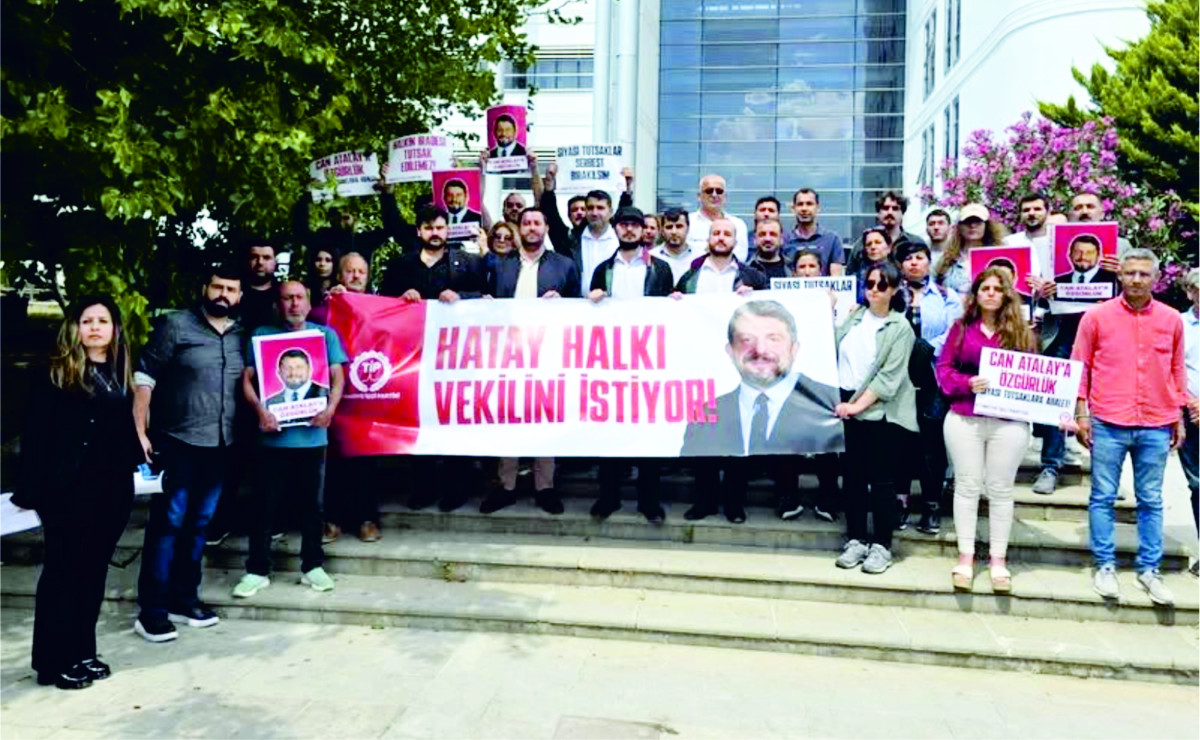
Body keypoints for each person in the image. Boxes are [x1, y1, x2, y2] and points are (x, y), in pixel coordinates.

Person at [13, 296, 143, 689]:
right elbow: (36, 436)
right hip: (67, 492)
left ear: (114, 329)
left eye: (103, 321)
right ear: (75, 327)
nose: (95, 327)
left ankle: (82, 650)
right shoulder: (54, 373)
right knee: (63, 574)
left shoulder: (119, 372)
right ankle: (52, 662)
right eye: (87, 321)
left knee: (92, 573)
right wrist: (33, 491)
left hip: (111, 490)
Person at [133, 265, 245, 642]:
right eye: (217, 286)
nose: (223, 294)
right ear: (204, 288)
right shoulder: (176, 325)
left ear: (240, 296)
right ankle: (152, 610)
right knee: (168, 525)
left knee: (199, 525)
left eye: (231, 289)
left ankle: (184, 599)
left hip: (221, 445)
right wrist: (139, 431)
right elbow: (144, 377)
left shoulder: (241, 335)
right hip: (177, 441)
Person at [1074, 249, 1187, 606]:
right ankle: (1105, 565)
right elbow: (1081, 366)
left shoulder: (1171, 320)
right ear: (1119, 275)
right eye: (1131, 273)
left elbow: (1176, 370)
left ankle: (1149, 569)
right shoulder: (1096, 317)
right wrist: (1082, 414)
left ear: (1156, 279)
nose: (1137, 279)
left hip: (1156, 421)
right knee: (1103, 496)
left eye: (1144, 274)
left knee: (1151, 499)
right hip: (1108, 419)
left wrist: (1178, 414)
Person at [680, 300, 844, 523]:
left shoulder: (821, 399)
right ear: (730, 350)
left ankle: (749, 502)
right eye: (747, 339)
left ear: (794, 348)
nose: (760, 350)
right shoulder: (707, 409)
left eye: (773, 339)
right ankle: (708, 503)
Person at [232, 281, 347, 599]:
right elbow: (247, 379)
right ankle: (257, 571)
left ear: (309, 303)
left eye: (299, 297)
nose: (294, 304)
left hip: (313, 438)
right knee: (264, 506)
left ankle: (312, 566)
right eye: (287, 298)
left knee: (313, 507)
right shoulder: (261, 335)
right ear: (277, 304)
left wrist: (330, 409)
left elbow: (337, 376)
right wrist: (260, 411)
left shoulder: (325, 335)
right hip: (272, 439)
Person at [935, 267, 1036, 592]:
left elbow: (1037, 378)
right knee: (967, 486)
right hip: (965, 417)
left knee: (1001, 489)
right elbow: (943, 369)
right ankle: (965, 558)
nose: (991, 293)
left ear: (1007, 295)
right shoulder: (961, 328)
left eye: (997, 288)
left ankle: (998, 560)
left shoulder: (1022, 332)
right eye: (985, 288)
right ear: (976, 294)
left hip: (1009, 422)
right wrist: (966, 383)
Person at [382, 205, 486, 512]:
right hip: (414, 358)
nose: (435, 233)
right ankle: (424, 487)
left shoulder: (467, 262)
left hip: (456, 358)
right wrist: (401, 299)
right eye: (428, 228)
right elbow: (382, 304)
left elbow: (487, 297)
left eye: (440, 227)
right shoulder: (401, 265)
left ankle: (457, 488)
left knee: (454, 420)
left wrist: (462, 297)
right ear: (419, 231)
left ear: (447, 230)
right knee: (420, 420)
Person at [1026, 192, 1126, 496]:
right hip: (1064, 332)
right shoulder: (1052, 249)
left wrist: (1122, 273)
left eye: (1089, 206)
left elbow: (1142, 286)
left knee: (1105, 401)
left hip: (1108, 335)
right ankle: (1050, 466)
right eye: (1077, 207)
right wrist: (1043, 290)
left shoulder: (1122, 248)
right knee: (1057, 398)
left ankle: (1106, 473)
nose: (1083, 211)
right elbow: (1035, 296)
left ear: (1102, 210)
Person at [482, 207, 580, 515]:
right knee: (508, 418)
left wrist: (564, 303)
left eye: (537, 222)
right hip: (507, 353)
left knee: (545, 418)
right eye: (526, 223)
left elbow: (580, 308)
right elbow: (484, 299)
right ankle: (506, 486)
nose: (532, 227)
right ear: (520, 228)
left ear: (546, 228)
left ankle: (544, 487)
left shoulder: (564, 265)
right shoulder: (500, 264)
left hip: (549, 353)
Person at [587, 206, 675, 523]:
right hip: (612, 363)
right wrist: (592, 300)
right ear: (616, 229)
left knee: (649, 434)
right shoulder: (603, 269)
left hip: (649, 362)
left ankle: (648, 501)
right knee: (610, 433)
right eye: (623, 224)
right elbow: (589, 313)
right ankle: (608, 497)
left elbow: (669, 310)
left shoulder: (660, 269)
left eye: (634, 225)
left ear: (643, 230)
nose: (629, 229)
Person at [833, 261, 917, 575]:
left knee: (882, 481)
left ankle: (882, 545)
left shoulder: (900, 327)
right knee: (853, 479)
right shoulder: (854, 317)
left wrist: (856, 407)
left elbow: (888, 378)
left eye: (882, 285)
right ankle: (855, 539)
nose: (874, 290)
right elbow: (830, 347)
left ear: (894, 290)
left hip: (882, 415)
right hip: (848, 409)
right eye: (869, 284)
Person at [313, 251, 384, 543]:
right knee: (335, 462)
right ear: (339, 275)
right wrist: (330, 300)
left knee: (367, 463)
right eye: (350, 271)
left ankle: (367, 519)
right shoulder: (323, 310)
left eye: (361, 272)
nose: (355, 276)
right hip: (335, 397)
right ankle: (332, 519)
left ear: (368, 277)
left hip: (371, 396)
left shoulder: (382, 308)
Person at [897, 240, 962, 535]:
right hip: (897, 377)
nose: (914, 263)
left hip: (933, 376)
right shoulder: (891, 292)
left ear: (928, 261)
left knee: (931, 445)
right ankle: (900, 502)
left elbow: (954, 333)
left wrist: (925, 348)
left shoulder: (947, 296)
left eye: (919, 257)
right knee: (900, 442)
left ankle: (931, 505)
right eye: (908, 258)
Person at [674, 219, 768, 295]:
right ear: (708, 239)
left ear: (735, 242)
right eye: (716, 233)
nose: (721, 238)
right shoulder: (689, 277)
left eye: (727, 234)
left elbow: (764, 307)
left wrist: (752, 296)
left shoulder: (753, 277)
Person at [933, 203, 1006, 294]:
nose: (972, 226)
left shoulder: (999, 258)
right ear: (959, 226)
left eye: (978, 222)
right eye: (967, 222)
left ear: (986, 226)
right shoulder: (944, 260)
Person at [846, 192, 926, 270]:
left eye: (895, 208)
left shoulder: (916, 243)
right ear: (878, 213)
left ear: (902, 213)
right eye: (885, 208)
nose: (890, 212)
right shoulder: (862, 244)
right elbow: (851, 274)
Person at [1180, 268, 1199, 577]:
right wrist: (1191, 401)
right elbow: (1170, 366)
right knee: (1198, 483)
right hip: (1189, 412)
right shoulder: (1178, 324)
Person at [686, 174, 749, 262]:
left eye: (719, 191)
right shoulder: (687, 223)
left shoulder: (738, 225)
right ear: (699, 196)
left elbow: (740, 257)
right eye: (709, 191)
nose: (714, 195)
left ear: (725, 197)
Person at [782, 189, 845, 275]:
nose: (804, 209)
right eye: (800, 204)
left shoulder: (832, 239)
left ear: (818, 208)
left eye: (809, 204)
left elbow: (836, 278)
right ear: (793, 209)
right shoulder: (783, 240)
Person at [847, 226, 895, 305]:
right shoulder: (856, 278)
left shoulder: (898, 274)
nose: (873, 247)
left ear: (889, 247)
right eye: (869, 244)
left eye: (878, 242)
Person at [263, 350, 329, 406]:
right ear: (279, 373)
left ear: (309, 370)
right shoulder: (270, 403)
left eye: (299, 367)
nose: (293, 373)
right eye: (287, 368)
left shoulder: (326, 395)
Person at [650, 207, 698, 284]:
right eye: (669, 227)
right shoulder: (652, 257)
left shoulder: (700, 257)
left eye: (679, 226)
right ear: (662, 231)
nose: (674, 232)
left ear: (688, 228)